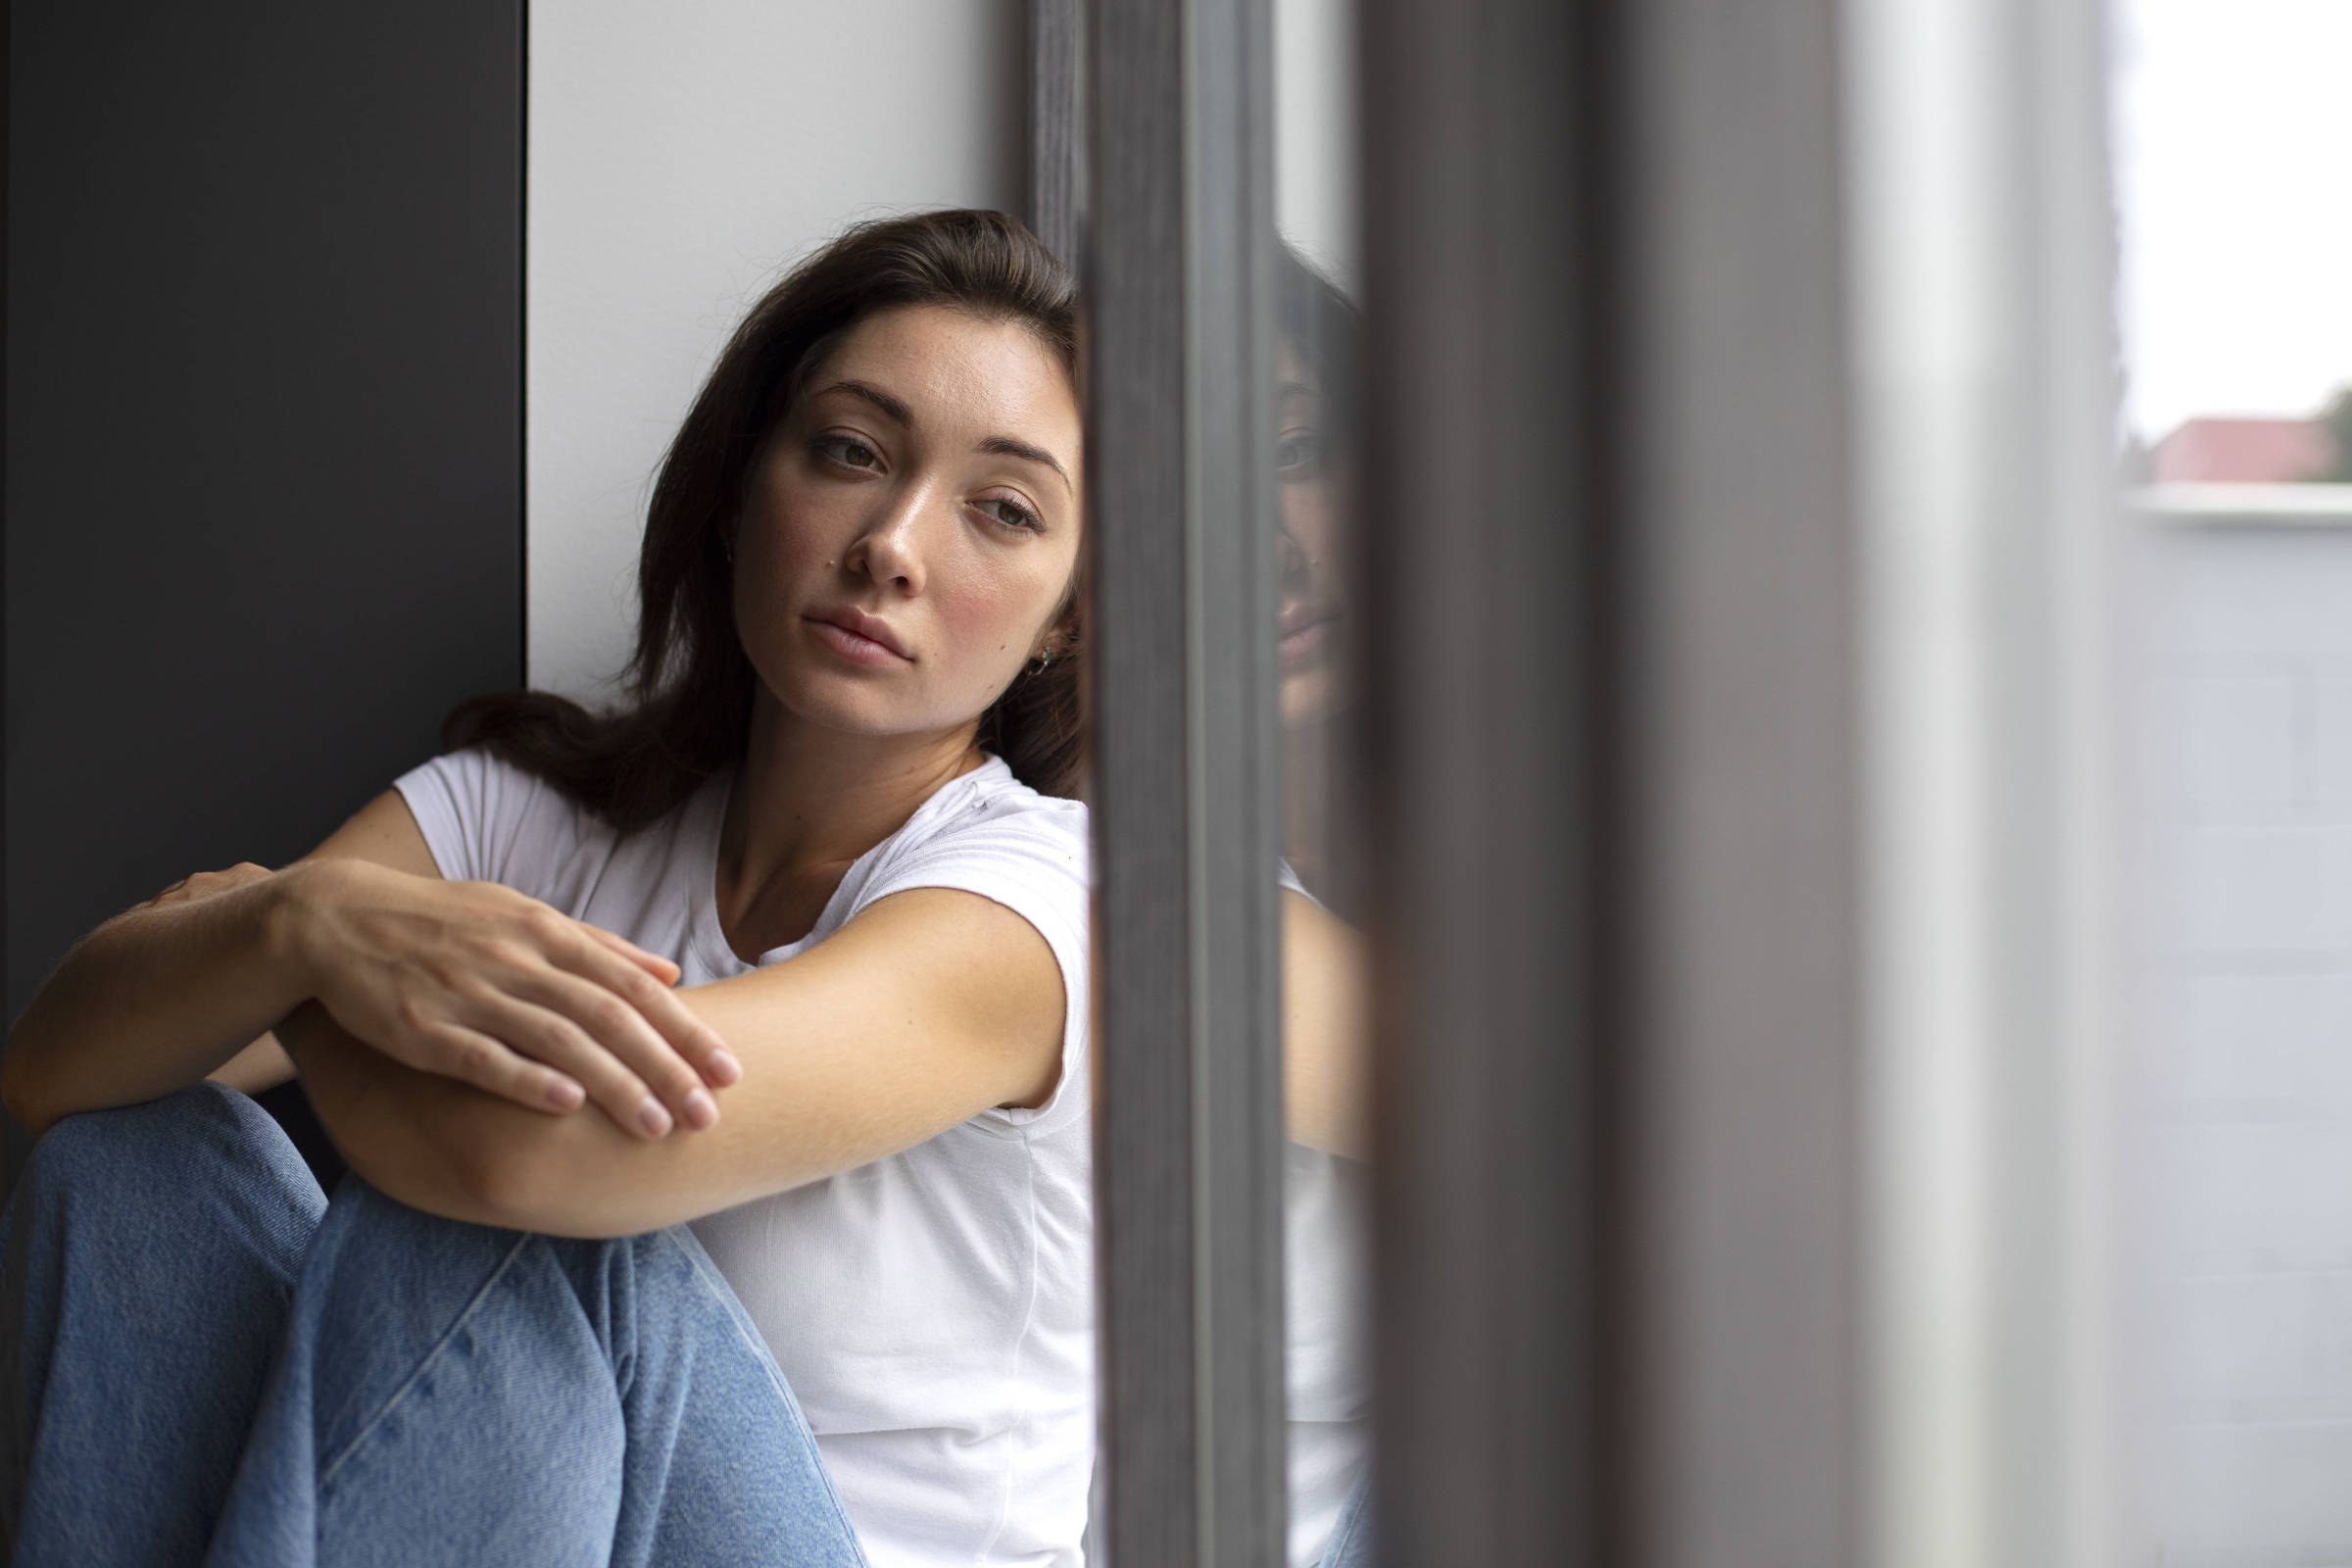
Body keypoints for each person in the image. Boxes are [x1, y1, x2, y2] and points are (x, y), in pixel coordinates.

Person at [0, 210, 1099, 1567]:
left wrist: (299, 974)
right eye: (851, 452)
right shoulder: (532, 817)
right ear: (746, 479)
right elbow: (57, 1072)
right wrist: (306, 923)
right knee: (136, 1153)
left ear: (1064, 612)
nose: (892, 544)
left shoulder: (1044, 896)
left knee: (524, 1227)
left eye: (1003, 510)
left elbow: (526, 1160)